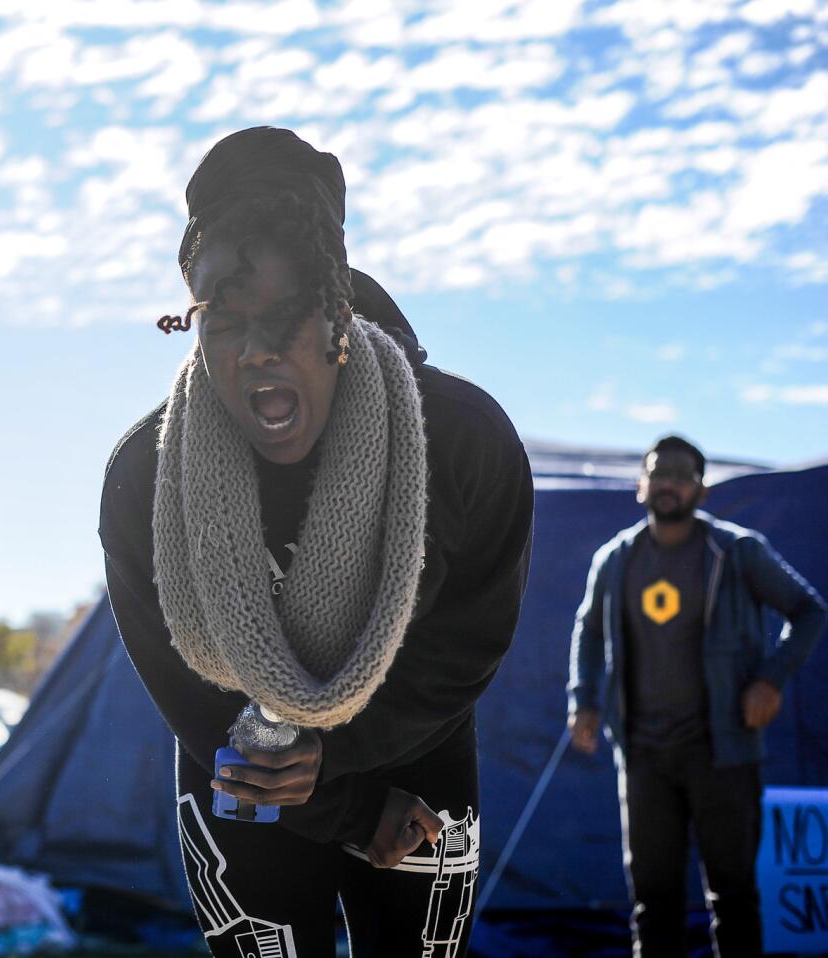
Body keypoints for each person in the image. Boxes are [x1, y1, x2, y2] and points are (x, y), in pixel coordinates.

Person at [99, 127, 533, 956]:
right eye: (224, 321)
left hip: (414, 761)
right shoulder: (141, 479)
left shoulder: (463, 441)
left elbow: (466, 647)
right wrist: (335, 805)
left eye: (287, 314)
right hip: (243, 772)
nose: (258, 349)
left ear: (339, 311)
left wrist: (343, 760)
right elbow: (189, 695)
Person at [568, 435, 825, 957]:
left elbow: (808, 611)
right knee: (652, 903)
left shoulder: (736, 551)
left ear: (701, 491)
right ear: (641, 485)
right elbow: (588, 631)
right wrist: (585, 701)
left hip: (722, 753)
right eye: (658, 473)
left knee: (732, 897)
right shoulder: (615, 559)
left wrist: (770, 679)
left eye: (681, 476)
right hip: (643, 757)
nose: (668, 484)